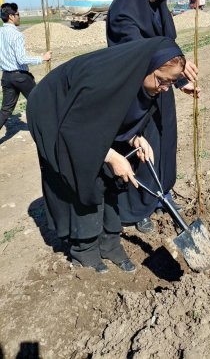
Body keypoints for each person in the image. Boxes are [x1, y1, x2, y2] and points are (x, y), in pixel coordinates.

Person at [27, 37, 186, 273]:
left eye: (170, 84)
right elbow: (78, 128)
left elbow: (114, 118)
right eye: (162, 81)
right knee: (82, 178)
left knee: (110, 179)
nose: (164, 88)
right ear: (148, 67)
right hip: (55, 112)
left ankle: (109, 242)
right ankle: (84, 249)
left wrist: (134, 137)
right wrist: (110, 155)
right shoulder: (102, 81)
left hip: (85, 121)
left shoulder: (134, 76)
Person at [106, 0, 199, 234]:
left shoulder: (158, 10)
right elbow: (139, 53)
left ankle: (162, 193)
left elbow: (167, 46)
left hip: (161, 86)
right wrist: (173, 63)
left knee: (165, 140)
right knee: (141, 148)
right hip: (136, 92)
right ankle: (138, 207)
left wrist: (180, 79)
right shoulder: (123, 14)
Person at [0, 3, 51, 131]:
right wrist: (42, 58)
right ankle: (48, 130)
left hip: (6, 76)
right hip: (20, 77)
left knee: (5, 110)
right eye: (17, 14)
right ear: (11, 16)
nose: (19, 17)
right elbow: (21, 59)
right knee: (40, 101)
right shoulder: (17, 35)